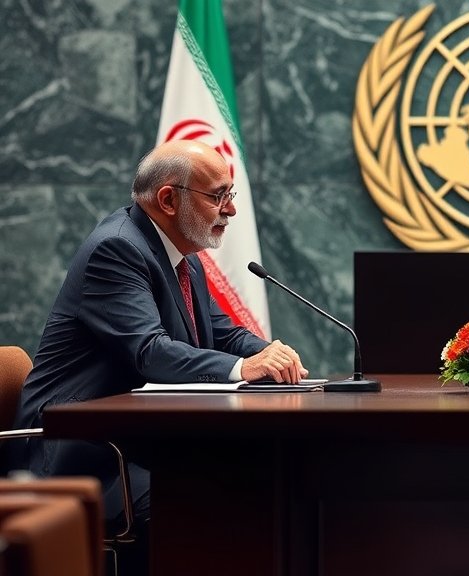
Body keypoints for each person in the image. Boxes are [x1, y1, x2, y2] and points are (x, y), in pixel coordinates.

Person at [12, 140, 307, 537]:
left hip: (140, 445)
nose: (231, 209)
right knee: (217, 501)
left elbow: (223, 333)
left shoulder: (183, 256)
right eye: (218, 196)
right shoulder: (116, 249)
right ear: (168, 200)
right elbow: (151, 352)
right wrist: (245, 368)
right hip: (88, 457)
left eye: (230, 195)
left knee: (260, 480)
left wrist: (269, 353)